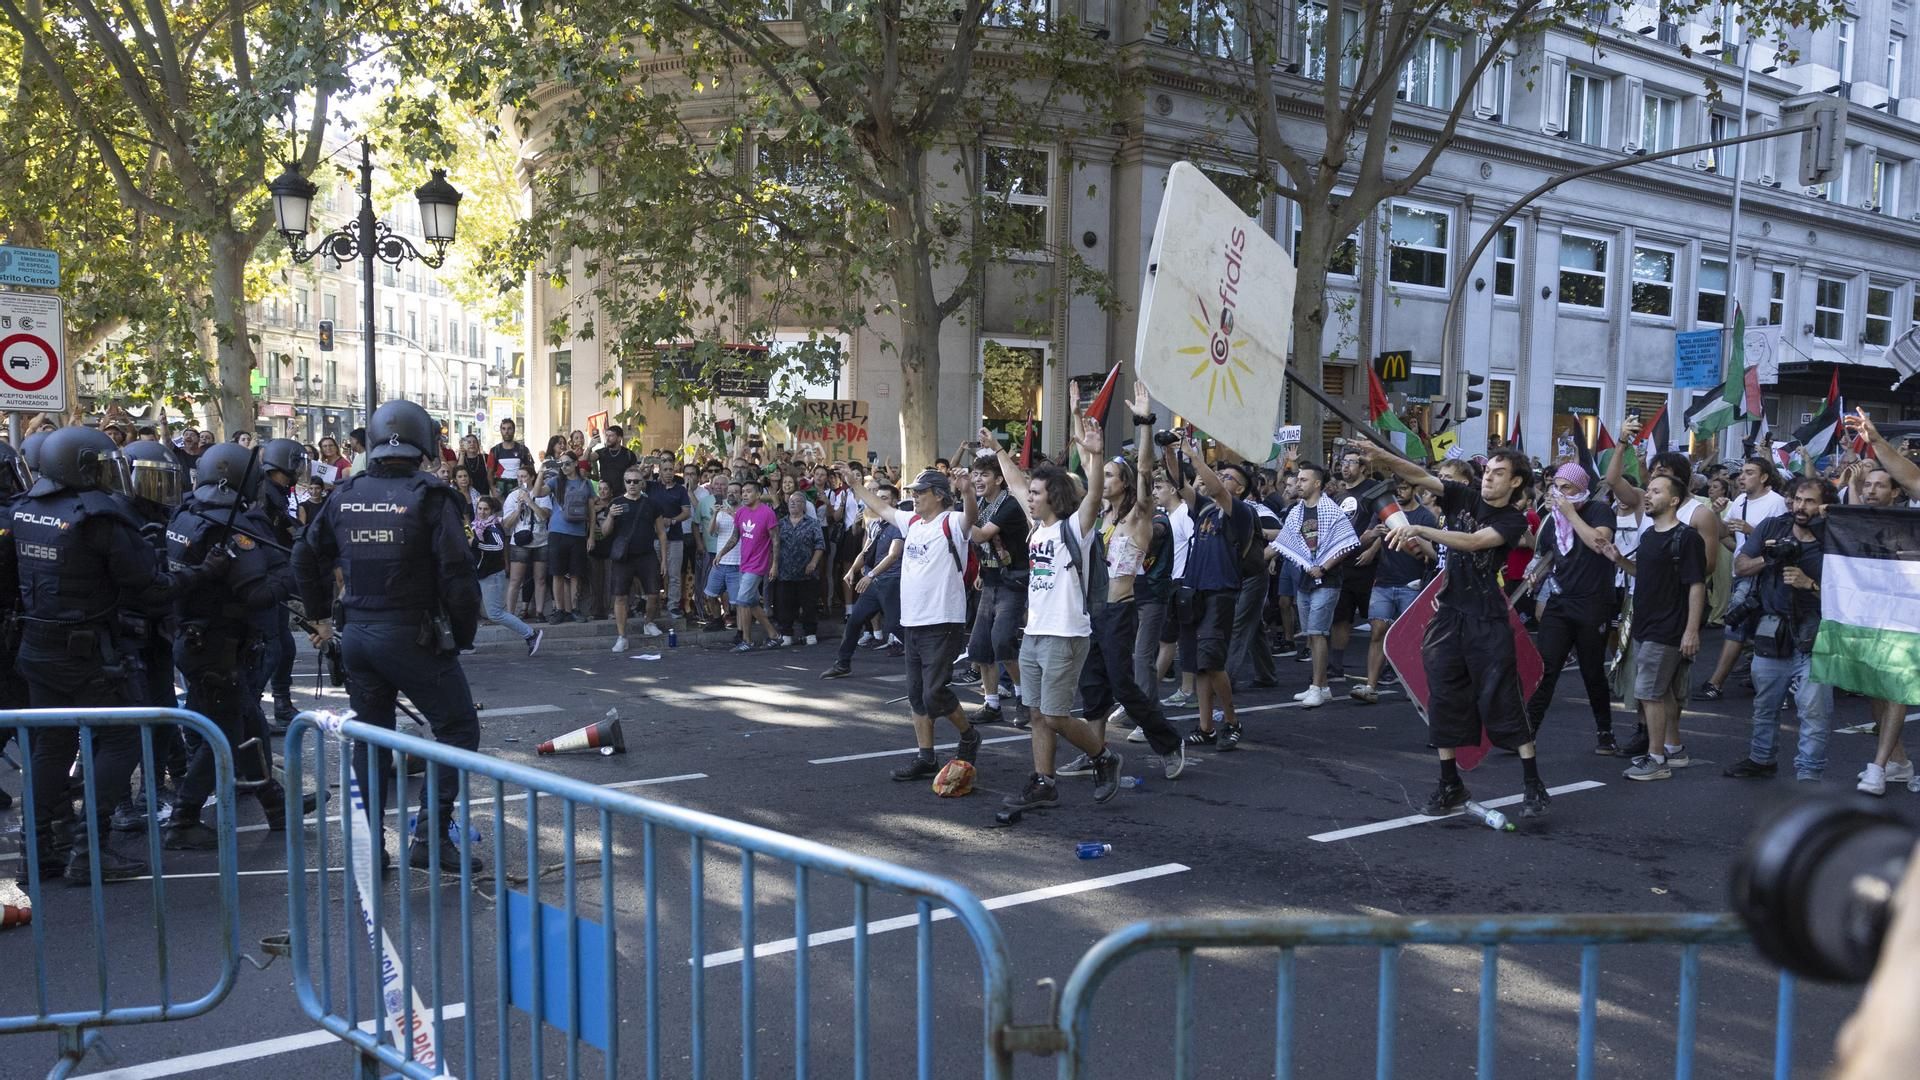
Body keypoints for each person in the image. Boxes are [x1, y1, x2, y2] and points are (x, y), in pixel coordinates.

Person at [2, 426, 217, 881]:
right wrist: (201, 573)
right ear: (79, 467)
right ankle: (90, 851)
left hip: (37, 646)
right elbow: (152, 588)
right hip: (90, 650)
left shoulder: (23, 511)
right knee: (121, 738)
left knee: (51, 743)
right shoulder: (99, 518)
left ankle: (36, 851)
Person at [293, 399, 486, 873]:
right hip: (412, 635)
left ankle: (368, 847)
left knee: (370, 740)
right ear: (422, 442)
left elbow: (303, 555)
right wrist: (460, 638)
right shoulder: (432, 495)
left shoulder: (344, 494)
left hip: (356, 634)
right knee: (458, 729)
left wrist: (319, 618)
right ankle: (431, 839)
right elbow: (459, 579)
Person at [1362, 443, 1552, 819]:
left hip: (1487, 618)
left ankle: (1533, 784)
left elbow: (1475, 542)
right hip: (1449, 614)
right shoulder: (1464, 495)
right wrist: (1381, 455)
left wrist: (1422, 530)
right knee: (1445, 698)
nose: (1489, 478)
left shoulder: (1515, 520)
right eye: (1488, 470)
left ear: (1515, 482)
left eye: (1499, 473)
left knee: (1503, 699)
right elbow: (1420, 475)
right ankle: (1450, 785)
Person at [163, 443, 317, 848]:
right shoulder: (231, 526)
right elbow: (255, 592)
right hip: (218, 646)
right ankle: (183, 817)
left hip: (197, 638)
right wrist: (292, 571)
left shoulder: (187, 513)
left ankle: (275, 804)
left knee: (249, 726)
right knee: (226, 733)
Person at [983, 417, 1124, 808]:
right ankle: (1044, 782)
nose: (1029, 497)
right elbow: (1013, 483)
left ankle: (1104, 756)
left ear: (1053, 497)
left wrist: (1094, 456)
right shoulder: (1036, 530)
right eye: (1029, 493)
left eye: (1036, 493)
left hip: (1066, 633)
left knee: (1056, 714)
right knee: (1035, 713)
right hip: (1035, 632)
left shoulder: (1073, 530)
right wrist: (997, 450)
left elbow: (1094, 497)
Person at [1054, 386, 1188, 779]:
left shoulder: (1138, 516)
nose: (1104, 478)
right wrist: (1076, 414)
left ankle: (1168, 741)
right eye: (1104, 474)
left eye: (1112, 474)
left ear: (1125, 483)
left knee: (1123, 685)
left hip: (1119, 609)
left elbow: (1145, 469)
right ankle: (1096, 753)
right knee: (1092, 686)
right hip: (1090, 610)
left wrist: (1145, 422)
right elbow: (1083, 463)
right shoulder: (1098, 517)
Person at [836, 464, 981, 782]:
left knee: (933, 693)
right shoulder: (912, 521)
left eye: (920, 492)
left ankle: (968, 735)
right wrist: (854, 485)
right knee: (916, 695)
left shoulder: (952, 522)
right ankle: (925, 757)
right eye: (912, 492)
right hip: (912, 621)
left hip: (943, 620)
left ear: (939, 496)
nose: (913, 497)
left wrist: (968, 491)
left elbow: (971, 517)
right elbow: (882, 508)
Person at [1722, 477, 1834, 783]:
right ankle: (1761, 760)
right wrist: (1767, 557)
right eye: (1798, 499)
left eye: (1810, 501)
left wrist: (1808, 584)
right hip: (1772, 630)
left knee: (1813, 712)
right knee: (1765, 704)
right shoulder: (1772, 527)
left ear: (1824, 506)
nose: (1801, 506)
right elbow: (1740, 566)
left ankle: (1808, 775)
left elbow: (1848, 596)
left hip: (1815, 635)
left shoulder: (1834, 540)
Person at [1596, 474, 1705, 781]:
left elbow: (1696, 585)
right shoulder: (1650, 536)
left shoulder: (1687, 538)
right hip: (1645, 623)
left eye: (1656, 491)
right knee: (1662, 690)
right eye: (1649, 490)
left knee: (1649, 692)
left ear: (1674, 500)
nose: (1648, 495)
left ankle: (1656, 759)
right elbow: (1644, 574)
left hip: (1668, 627)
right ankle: (1674, 748)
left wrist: (1691, 630)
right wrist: (1618, 559)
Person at [1520, 464, 1620, 751]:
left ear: (1581, 488)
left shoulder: (1598, 511)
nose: (1559, 493)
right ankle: (1528, 732)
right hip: (1560, 602)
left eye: (1567, 488)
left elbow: (1599, 543)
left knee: (1591, 671)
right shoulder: (1551, 521)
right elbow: (1546, 556)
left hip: (1593, 602)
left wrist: (1571, 513)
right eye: (1556, 487)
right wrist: (1534, 573)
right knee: (1546, 668)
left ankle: (1604, 731)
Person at [1179, 437, 1256, 749]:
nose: (1223, 479)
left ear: (1239, 489)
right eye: (1222, 474)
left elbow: (1216, 489)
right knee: (1199, 663)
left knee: (1212, 660)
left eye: (1229, 478)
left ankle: (1233, 721)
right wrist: (1171, 453)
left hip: (1220, 592)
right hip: (1194, 592)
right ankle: (1205, 726)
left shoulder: (1239, 511)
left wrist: (1196, 457)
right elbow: (1182, 487)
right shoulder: (1205, 511)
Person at [1696, 458, 1788, 700]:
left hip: (1763, 574)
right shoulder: (1740, 501)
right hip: (1742, 572)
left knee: (1736, 626)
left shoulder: (1776, 503)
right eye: (1741, 474)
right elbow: (1725, 533)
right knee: (1756, 629)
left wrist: (1751, 530)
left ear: (1764, 477)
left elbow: (1780, 542)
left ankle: (1716, 683)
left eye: (1749, 473)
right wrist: (1716, 514)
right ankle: (1769, 683)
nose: (1742, 478)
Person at [1269, 461, 1358, 708]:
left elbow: (1347, 543)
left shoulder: (1331, 510)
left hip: (1327, 581)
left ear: (1317, 483)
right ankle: (1323, 686)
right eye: (1298, 480)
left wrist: (1325, 566)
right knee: (1311, 634)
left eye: (1303, 480)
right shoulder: (1297, 511)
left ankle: (1317, 687)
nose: (1298, 483)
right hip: (1305, 579)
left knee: (1318, 634)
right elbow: (1285, 542)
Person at [1350, 477, 1437, 704]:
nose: (1400, 492)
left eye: (1405, 488)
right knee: (1377, 631)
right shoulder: (1382, 512)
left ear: (1415, 489)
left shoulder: (1425, 517)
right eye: (1397, 489)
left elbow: (1434, 554)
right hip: (1384, 581)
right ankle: (1370, 686)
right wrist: (1375, 533)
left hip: (1412, 583)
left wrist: (1413, 534)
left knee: (1411, 637)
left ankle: (1415, 687)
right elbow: (1362, 540)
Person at [960, 451, 1029, 726]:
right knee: (980, 647)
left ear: (999, 479)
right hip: (990, 581)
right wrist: (979, 572)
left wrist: (957, 516)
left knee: (1002, 641)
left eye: (984, 474)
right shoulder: (980, 503)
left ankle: (1024, 697)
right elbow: (982, 545)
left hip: (1012, 582)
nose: (977, 479)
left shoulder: (1010, 505)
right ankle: (991, 704)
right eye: (975, 474)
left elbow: (982, 534)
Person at [820, 483, 904, 679]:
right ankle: (842, 664)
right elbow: (865, 551)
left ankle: (931, 666)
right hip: (874, 583)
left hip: (891, 581)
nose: (879, 500)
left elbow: (893, 555)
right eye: (878, 497)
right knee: (854, 621)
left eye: (884, 498)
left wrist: (870, 575)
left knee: (896, 627)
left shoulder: (899, 525)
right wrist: (852, 570)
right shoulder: (875, 523)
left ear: (894, 501)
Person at [601, 466, 666, 652]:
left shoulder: (651, 504)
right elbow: (605, 532)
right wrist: (611, 516)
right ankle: (622, 637)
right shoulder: (616, 503)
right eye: (628, 481)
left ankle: (649, 622)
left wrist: (663, 560)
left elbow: (661, 533)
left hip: (647, 555)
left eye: (636, 481)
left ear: (642, 483)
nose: (632, 484)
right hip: (624, 557)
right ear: (624, 483)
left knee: (653, 593)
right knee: (620, 597)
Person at [472, 494, 544, 655]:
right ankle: (464, 643)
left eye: (486, 509)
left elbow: (497, 547)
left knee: (495, 613)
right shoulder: (476, 525)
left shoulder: (493, 527)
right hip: (478, 574)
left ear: (492, 511)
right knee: (465, 606)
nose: (482, 512)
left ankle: (531, 634)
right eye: (480, 509)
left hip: (491, 575)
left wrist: (476, 544)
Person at [722, 478, 781, 651]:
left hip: (758, 564)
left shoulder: (767, 513)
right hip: (744, 563)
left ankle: (746, 641)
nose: (744, 495)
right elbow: (735, 537)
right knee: (752, 603)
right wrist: (721, 553)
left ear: (758, 494)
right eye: (743, 492)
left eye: (748, 491)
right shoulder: (741, 512)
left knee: (742, 601)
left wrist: (774, 565)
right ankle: (774, 636)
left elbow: (776, 540)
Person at [543, 450, 594, 623]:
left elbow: (592, 512)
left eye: (567, 463)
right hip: (557, 532)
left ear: (575, 464)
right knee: (557, 573)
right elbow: (538, 492)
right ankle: (559, 609)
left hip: (578, 534)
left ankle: (574, 608)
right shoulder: (556, 481)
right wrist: (541, 472)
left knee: (575, 574)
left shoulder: (586, 483)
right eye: (561, 464)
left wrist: (591, 535)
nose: (563, 467)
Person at [773, 491, 825, 644]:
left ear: (804, 505)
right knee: (785, 604)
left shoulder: (812, 523)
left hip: (807, 572)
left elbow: (820, 545)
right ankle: (786, 634)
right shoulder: (781, 523)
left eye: (796, 501)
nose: (793, 504)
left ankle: (810, 633)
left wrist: (813, 562)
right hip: (785, 572)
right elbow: (774, 545)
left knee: (809, 604)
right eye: (790, 502)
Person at [502, 465, 551, 621]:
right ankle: (510, 614)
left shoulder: (542, 493)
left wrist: (530, 502)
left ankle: (540, 612)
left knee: (540, 578)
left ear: (532, 477)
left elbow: (544, 516)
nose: (520, 479)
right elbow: (507, 525)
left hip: (541, 540)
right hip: (519, 542)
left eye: (524, 476)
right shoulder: (512, 496)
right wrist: (517, 509)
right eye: (518, 477)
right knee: (516, 579)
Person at [651, 465, 694, 622]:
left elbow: (686, 512)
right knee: (654, 573)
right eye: (665, 469)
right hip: (654, 537)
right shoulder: (653, 487)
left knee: (674, 574)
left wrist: (673, 520)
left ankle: (673, 605)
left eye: (670, 469)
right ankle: (653, 605)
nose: (668, 472)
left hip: (675, 537)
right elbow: (638, 481)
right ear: (660, 471)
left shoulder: (680, 490)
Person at [703, 480, 745, 632]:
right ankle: (716, 620)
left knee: (738, 603)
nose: (731, 494)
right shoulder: (721, 512)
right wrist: (715, 514)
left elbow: (744, 530)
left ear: (741, 495)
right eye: (729, 492)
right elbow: (712, 532)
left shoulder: (745, 512)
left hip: (737, 564)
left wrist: (733, 514)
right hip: (720, 562)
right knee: (710, 594)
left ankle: (741, 632)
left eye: (735, 492)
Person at [488, 419, 527, 498]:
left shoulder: (523, 450)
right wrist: (492, 488)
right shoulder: (494, 450)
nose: (506, 431)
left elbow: (530, 470)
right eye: (504, 428)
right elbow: (489, 473)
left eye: (509, 428)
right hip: (500, 490)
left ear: (514, 430)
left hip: (518, 489)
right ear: (500, 430)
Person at [458, 434, 492, 499]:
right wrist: (462, 454)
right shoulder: (462, 459)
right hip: (467, 496)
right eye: (469, 442)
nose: (472, 444)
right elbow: (459, 471)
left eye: (474, 442)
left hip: (484, 495)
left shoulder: (485, 457)